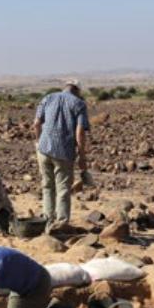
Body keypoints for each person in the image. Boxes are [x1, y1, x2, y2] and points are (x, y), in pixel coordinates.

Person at [33, 78, 91, 226]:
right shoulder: (79, 103)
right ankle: (61, 223)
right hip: (64, 152)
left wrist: (38, 141)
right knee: (63, 189)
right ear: (77, 90)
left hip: (44, 149)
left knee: (47, 186)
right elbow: (80, 132)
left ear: (65, 87)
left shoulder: (48, 97)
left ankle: (47, 219)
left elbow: (36, 123)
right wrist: (82, 155)